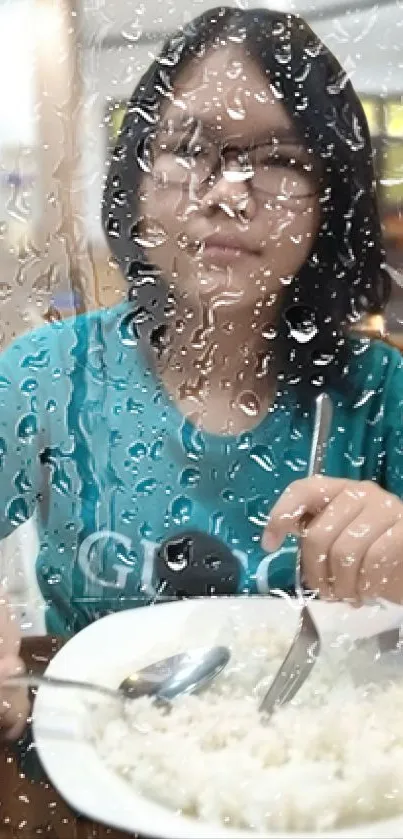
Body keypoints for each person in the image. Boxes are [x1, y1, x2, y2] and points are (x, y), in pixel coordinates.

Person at [1, 4, 403, 738]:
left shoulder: (379, 393)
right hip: (78, 770)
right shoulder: (48, 374)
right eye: (188, 147)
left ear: (331, 199)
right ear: (138, 179)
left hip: (313, 787)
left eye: (280, 160)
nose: (224, 192)